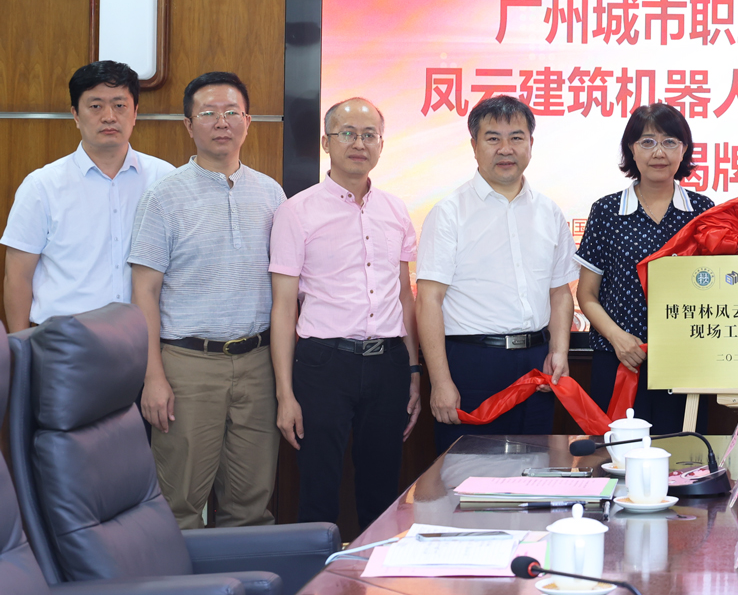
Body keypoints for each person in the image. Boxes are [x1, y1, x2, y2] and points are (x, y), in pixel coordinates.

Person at [129, 71, 285, 529]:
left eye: (232, 112)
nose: (222, 122)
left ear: (248, 122)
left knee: (251, 507)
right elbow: (144, 291)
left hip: (257, 364)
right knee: (178, 506)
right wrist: (152, 377)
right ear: (188, 124)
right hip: (187, 366)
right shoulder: (163, 196)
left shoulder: (272, 194)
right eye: (209, 113)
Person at [269, 97, 421, 531]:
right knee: (318, 490)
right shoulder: (296, 211)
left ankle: (375, 568)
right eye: (347, 134)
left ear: (381, 144)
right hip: (323, 365)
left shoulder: (395, 210)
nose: (359, 143)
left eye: (369, 135)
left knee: (383, 491)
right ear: (326, 142)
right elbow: (283, 307)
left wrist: (413, 371)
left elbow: (404, 297)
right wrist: (285, 394)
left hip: (388, 363)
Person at [415, 96, 580, 454]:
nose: (506, 149)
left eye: (516, 137)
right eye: (493, 138)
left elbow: (560, 292)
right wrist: (440, 381)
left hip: (536, 364)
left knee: (535, 470)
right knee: (468, 474)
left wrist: (559, 352)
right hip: (473, 365)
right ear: (474, 146)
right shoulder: (449, 213)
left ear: (530, 143)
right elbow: (429, 300)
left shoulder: (549, 212)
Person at [3, 61, 174, 331]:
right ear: (75, 114)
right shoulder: (42, 186)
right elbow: (17, 276)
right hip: (63, 340)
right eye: (95, 106)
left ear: (135, 113)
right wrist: (21, 348)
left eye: (120, 105)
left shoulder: (165, 179)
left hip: (144, 338)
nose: (109, 117)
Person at [576, 103, 713, 429]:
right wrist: (618, 338)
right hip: (619, 359)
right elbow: (587, 294)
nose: (659, 152)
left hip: (685, 362)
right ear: (632, 150)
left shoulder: (703, 211)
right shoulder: (607, 211)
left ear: (684, 150)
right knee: (617, 453)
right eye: (648, 142)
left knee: (684, 454)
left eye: (670, 142)